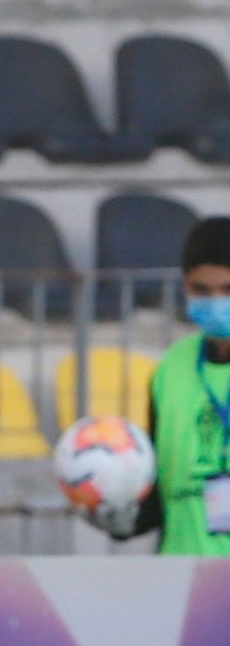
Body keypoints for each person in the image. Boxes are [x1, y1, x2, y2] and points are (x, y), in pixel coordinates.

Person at [87, 216, 230, 555]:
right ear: (185, 287)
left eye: (228, 289)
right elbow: (159, 493)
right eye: (202, 290)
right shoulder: (170, 370)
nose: (216, 302)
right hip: (183, 582)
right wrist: (120, 516)